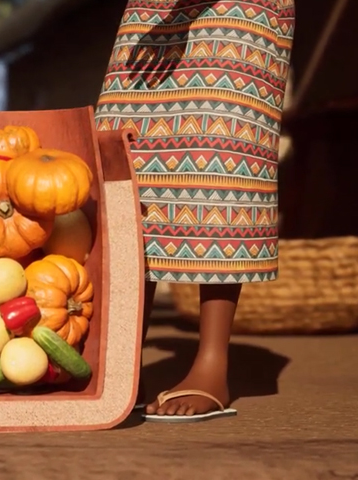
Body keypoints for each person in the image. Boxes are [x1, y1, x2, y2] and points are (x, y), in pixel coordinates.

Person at [96, 0, 295, 422]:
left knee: (214, 159)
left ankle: (211, 364)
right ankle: (124, 361)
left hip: (233, 7)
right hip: (151, 13)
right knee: (129, 162)